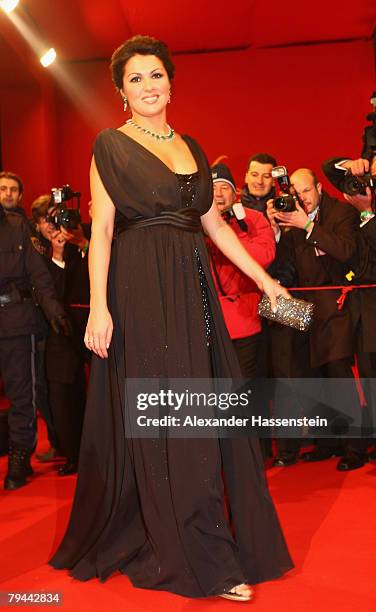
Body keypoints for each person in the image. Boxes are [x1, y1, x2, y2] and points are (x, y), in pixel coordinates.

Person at [50, 35, 293, 602]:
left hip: (192, 292)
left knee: (203, 418)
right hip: (138, 291)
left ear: (171, 81)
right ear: (121, 92)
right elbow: (103, 232)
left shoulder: (192, 147)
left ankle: (208, 543)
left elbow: (213, 229)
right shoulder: (108, 146)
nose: (148, 86)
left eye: (155, 74)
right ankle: (194, 555)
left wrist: (264, 279)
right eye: (135, 79)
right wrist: (100, 307)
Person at [267, 168, 368, 470]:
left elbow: (346, 251)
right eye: (295, 193)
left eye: (306, 192)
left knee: (339, 376)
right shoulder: (291, 217)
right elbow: (284, 267)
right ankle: (327, 442)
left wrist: (307, 225)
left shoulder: (342, 212)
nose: (301, 199)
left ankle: (356, 448)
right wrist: (276, 230)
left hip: (338, 305)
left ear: (320, 188)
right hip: (304, 308)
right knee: (312, 377)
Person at [0, 203, 70, 489]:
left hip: (16, 322)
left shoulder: (17, 227)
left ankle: (20, 454)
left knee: (21, 392)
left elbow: (39, 276)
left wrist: (55, 312)